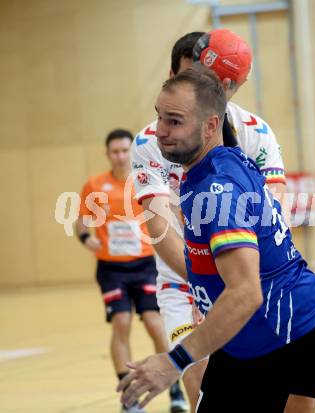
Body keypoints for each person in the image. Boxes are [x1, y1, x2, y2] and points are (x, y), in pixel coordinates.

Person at [118, 67, 315, 413]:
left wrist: (173, 361)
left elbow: (246, 293)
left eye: (174, 121)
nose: (160, 131)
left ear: (211, 126)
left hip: (308, 335)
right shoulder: (213, 166)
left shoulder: (219, 190)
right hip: (245, 347)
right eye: (159, 117)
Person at [130, 31, 315, 413]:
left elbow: (275, 213)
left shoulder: (257, 132)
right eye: (192, 77)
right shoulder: (151, 141)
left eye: (214, 80)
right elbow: (161, 228)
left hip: (256, 277)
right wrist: (205, 286)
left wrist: (244, 286)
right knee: (200, 377)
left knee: (301, 387)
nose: (202, 87)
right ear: (172, 78)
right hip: (186, 280)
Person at [76, 129, 188, 413]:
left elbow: (168, 211)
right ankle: (129, 395)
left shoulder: (144, 181)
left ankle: (175, 387)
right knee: (121, 322)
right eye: (115, 151)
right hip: (112, 268)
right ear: (107, 154)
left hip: (145, 264)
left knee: (154, 322)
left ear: (131, 151)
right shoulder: (94, 185)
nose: (120, 156)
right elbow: (81, 221)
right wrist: (86, 239)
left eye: (125, 150)